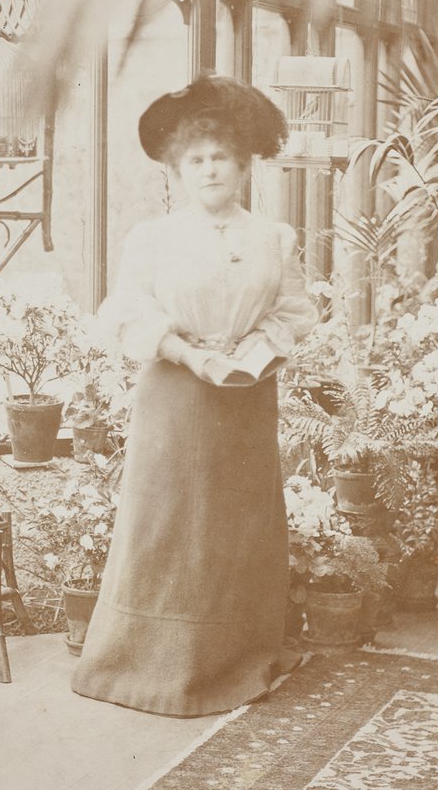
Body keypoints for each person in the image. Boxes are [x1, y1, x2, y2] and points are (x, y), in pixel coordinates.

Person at [71, 74, 317, 717]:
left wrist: (252, 349)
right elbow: (127, 309)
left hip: (246, 393)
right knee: (167, 525)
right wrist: (189, 353)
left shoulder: (273, 238)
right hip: (177, 394)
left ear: (242, 166)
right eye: (196, 161)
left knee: (236, 527)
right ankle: (142, 665)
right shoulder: (153, 238)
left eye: (221, 159)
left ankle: (233, 658)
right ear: (179, 171)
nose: (210, 170)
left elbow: (294, 312)